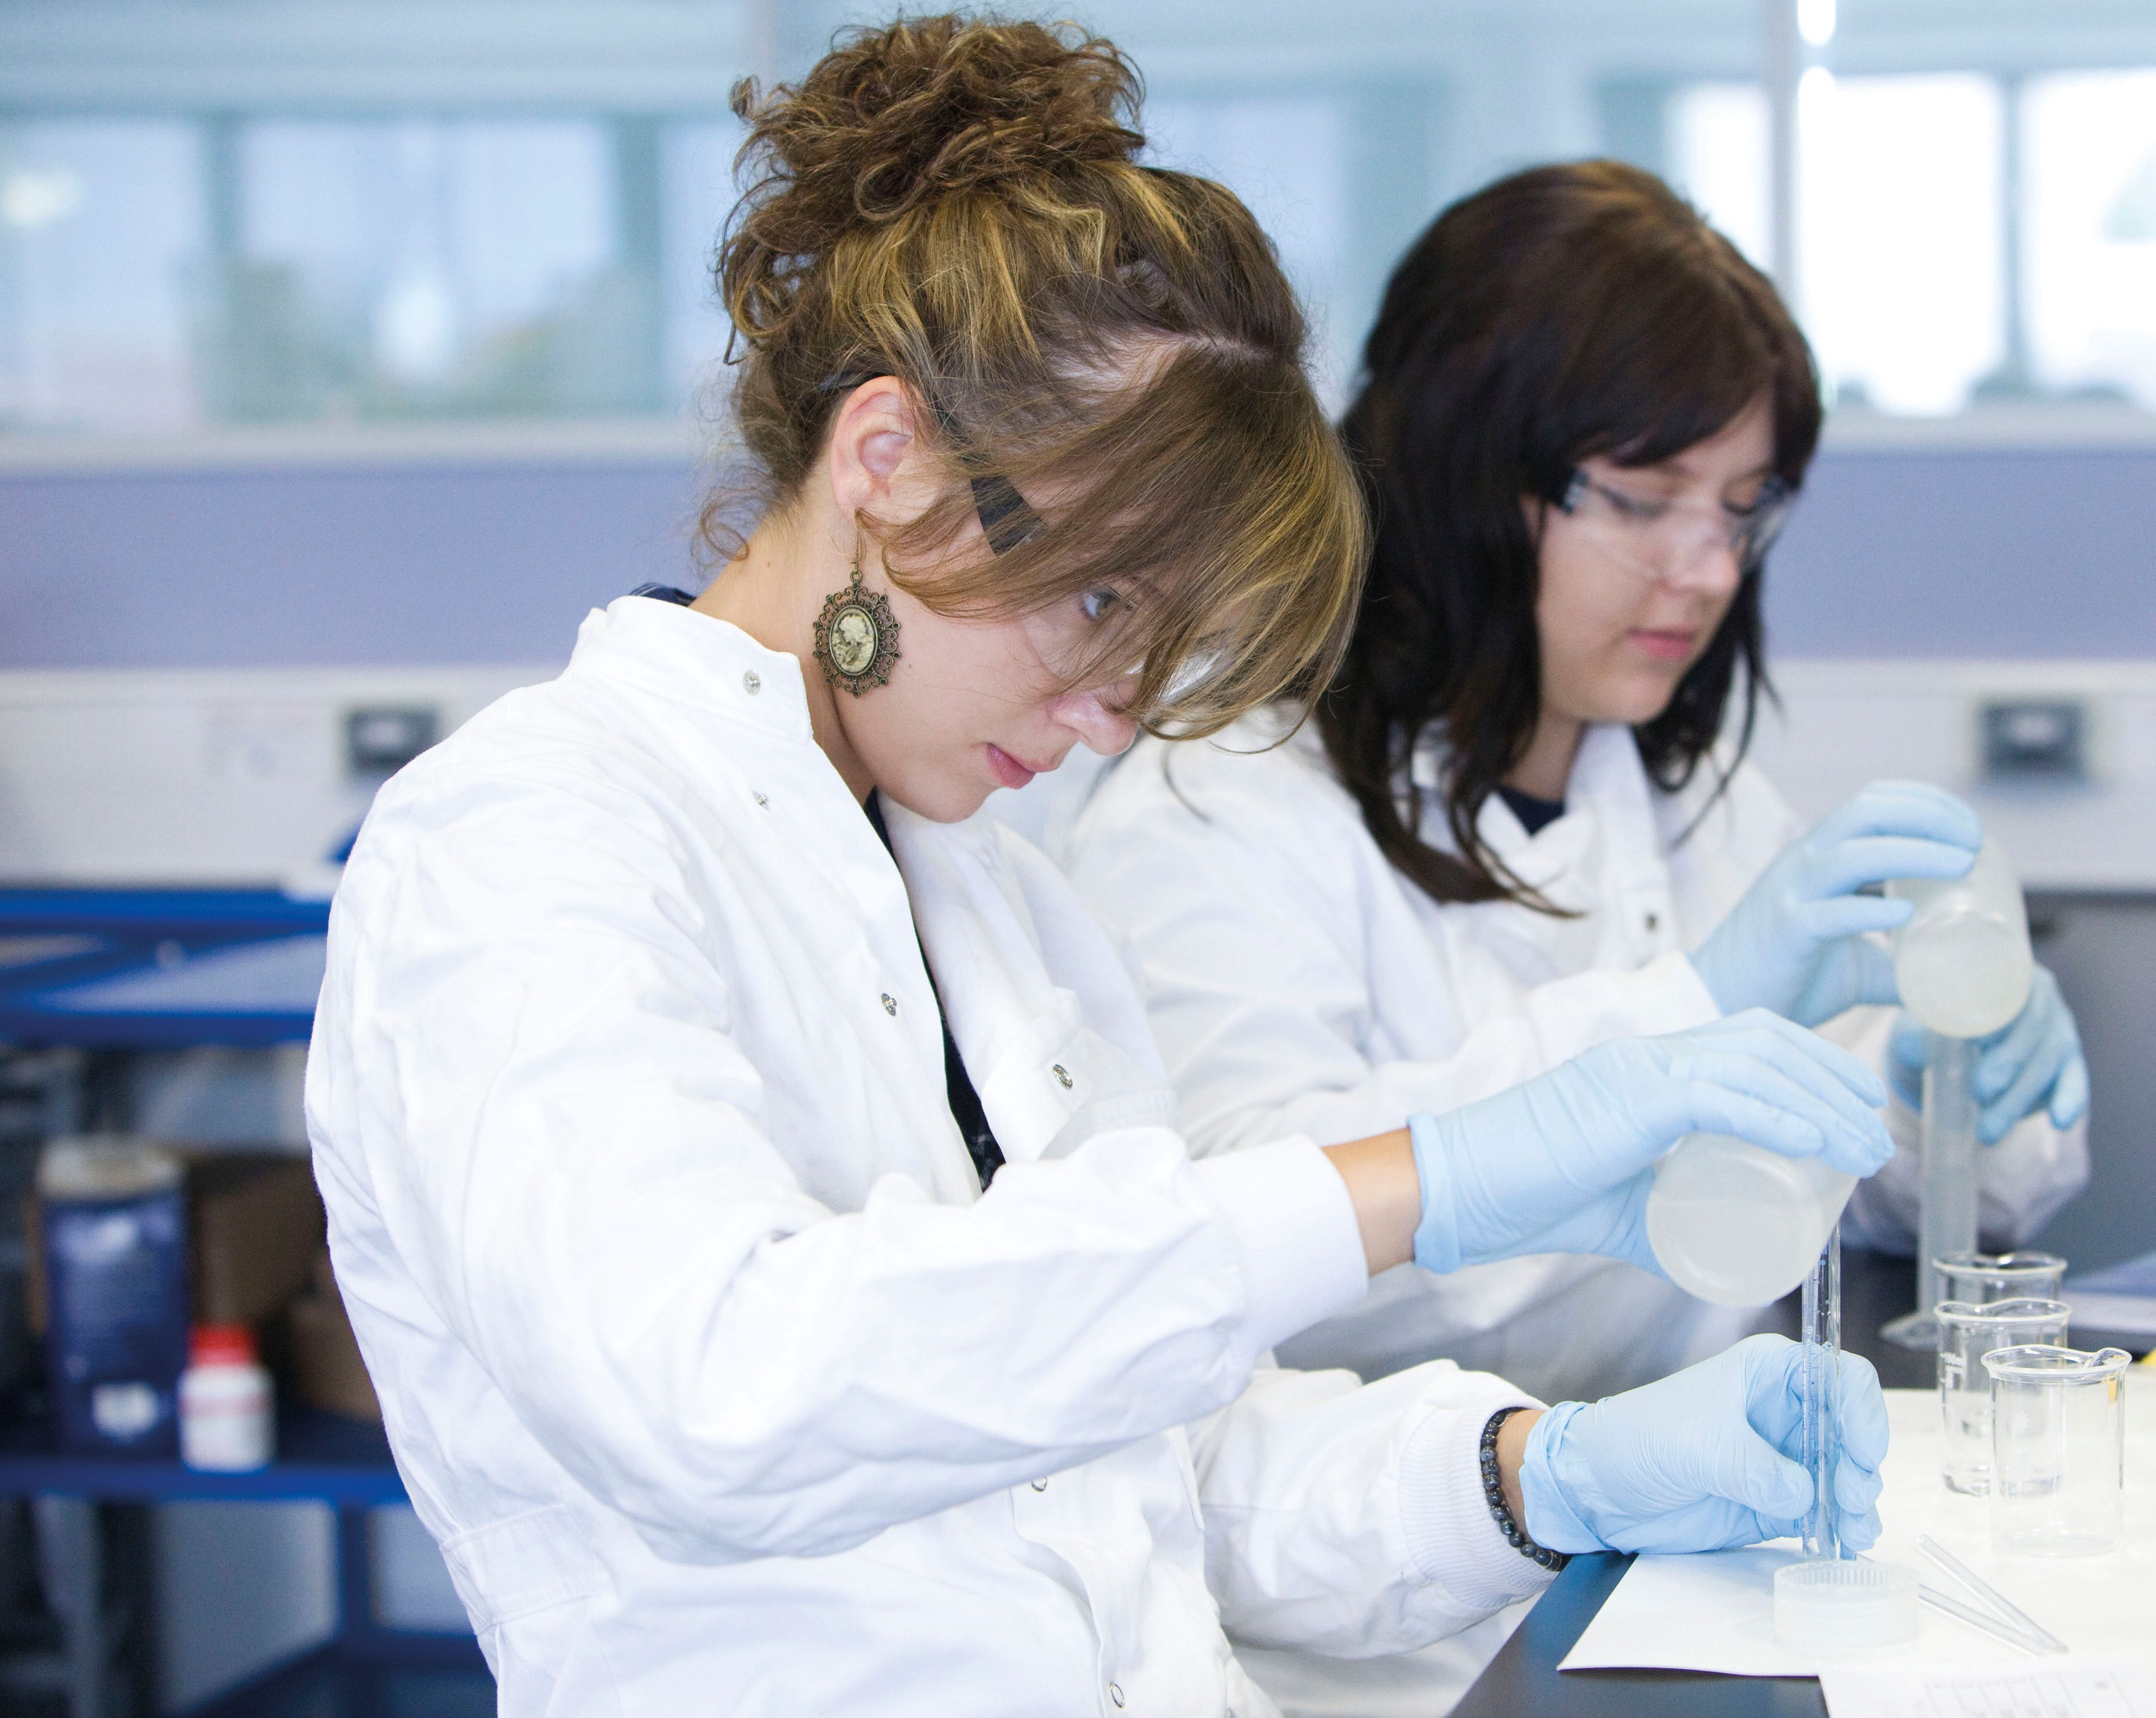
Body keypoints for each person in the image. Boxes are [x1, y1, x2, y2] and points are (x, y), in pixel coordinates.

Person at [304, 26, 1897, 1715]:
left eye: (1166, 632)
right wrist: (1402, 1184)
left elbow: (1156, 1464)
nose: (1122, 703)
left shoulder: (992, 894)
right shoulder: (524, 838)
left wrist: (1531, 1474)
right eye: (1095, 603)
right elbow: (718, 1387)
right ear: (888, 459)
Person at [1059, 161, 2091, 1715]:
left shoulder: (1675, 786)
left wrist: (1965, 1086)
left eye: (1744, 511)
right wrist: (1689, 1006)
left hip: (1679, 1584)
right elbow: (1251, 1248)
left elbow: (1861, 1177)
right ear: (1473, 465)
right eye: (1647, 497)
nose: (1708, 569)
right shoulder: (1221, 802)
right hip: (1387, 1633)